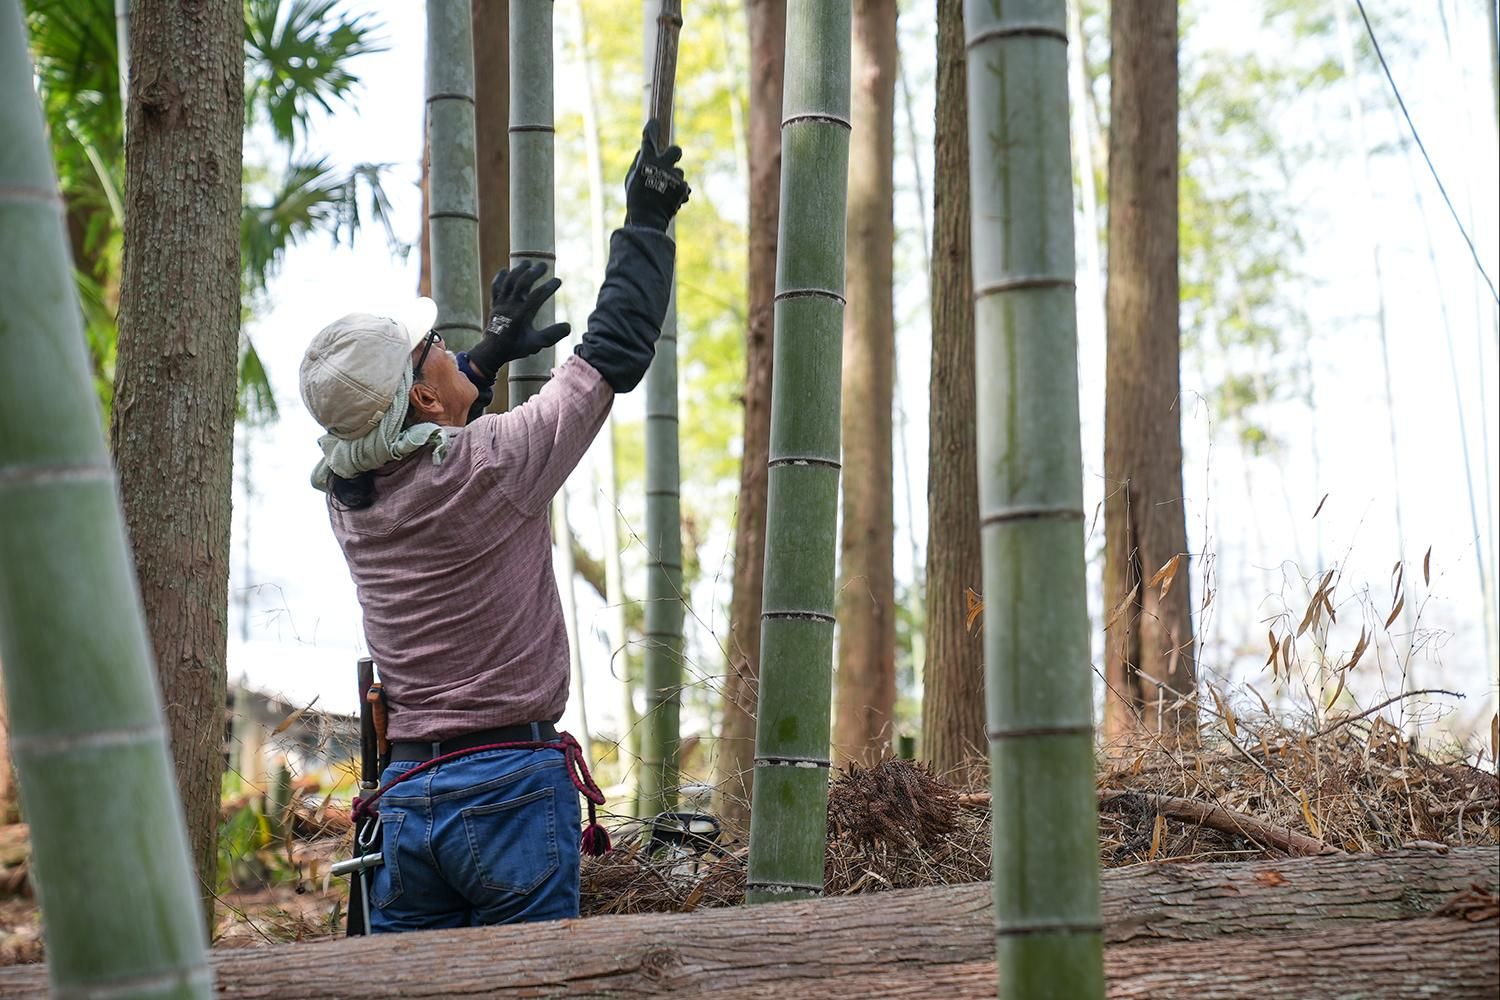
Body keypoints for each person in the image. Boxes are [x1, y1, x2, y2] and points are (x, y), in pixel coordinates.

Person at [297, 122, 690, 932]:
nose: (447, 347)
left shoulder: (346, 501)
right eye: (435, 347)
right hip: (511, 794)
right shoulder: (496, 466)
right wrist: (646, 224)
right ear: (422, 399)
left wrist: (483, 359)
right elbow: (611, 354)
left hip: (409, 807)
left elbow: (401, 439)